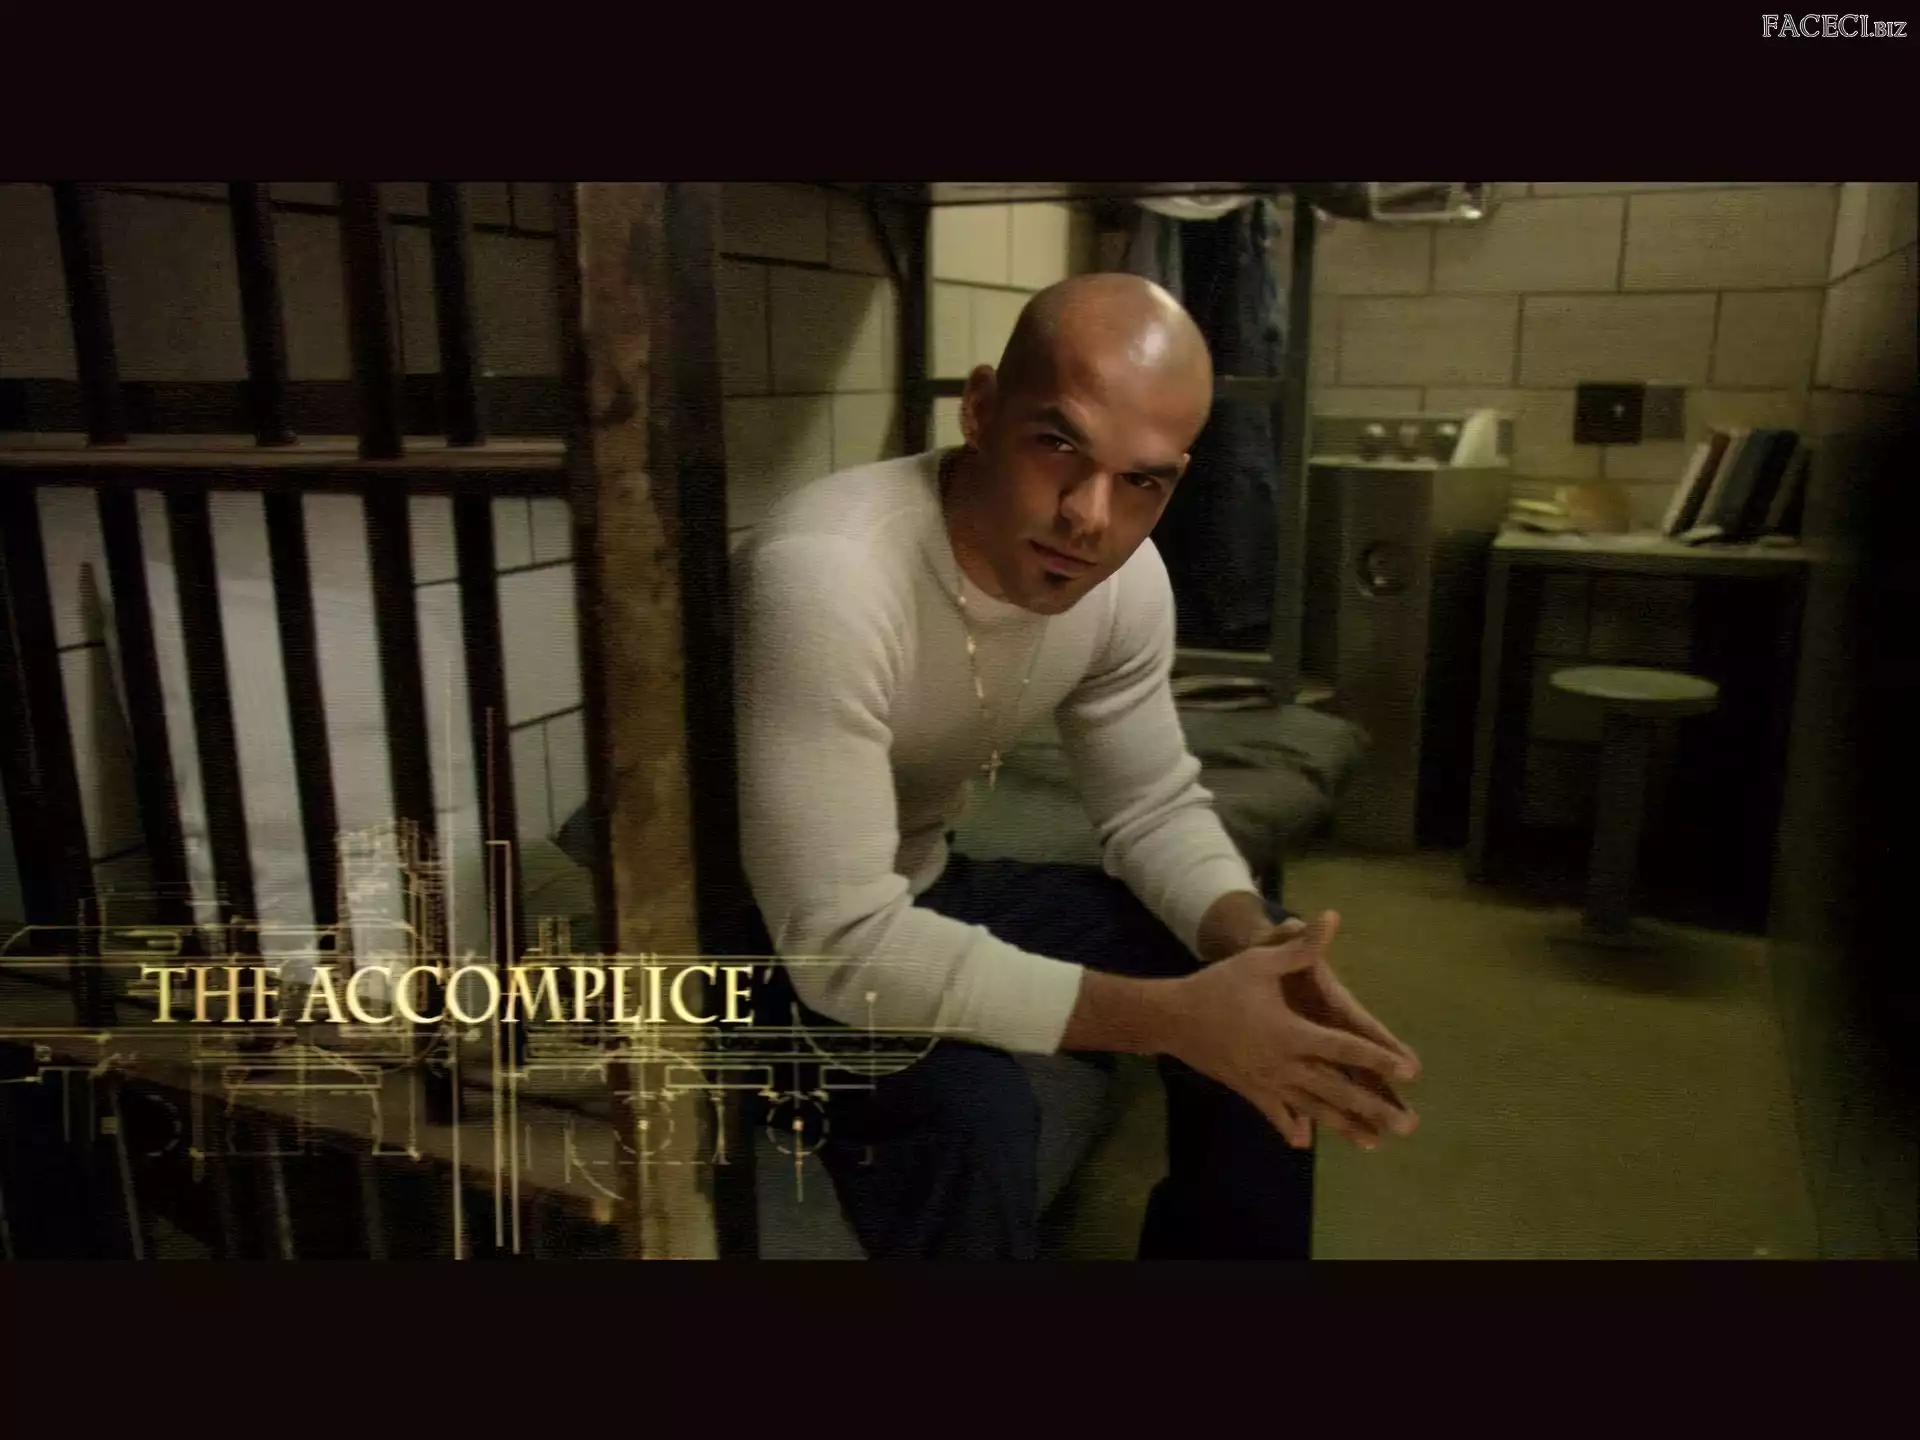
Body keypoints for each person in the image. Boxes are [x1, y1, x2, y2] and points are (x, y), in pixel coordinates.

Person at [733, 272, 1420, 1260]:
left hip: (918, 879)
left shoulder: (1123, 581)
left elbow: (1151, 808)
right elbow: (835, 944)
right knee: (974, 1114)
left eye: (1143, 481)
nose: (1090, 517)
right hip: (743, 938)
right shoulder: (831, 574)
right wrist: (1168, 1021)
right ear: (979, 409)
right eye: (1058, 446)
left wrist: (1249, 948)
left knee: (1257, 975)